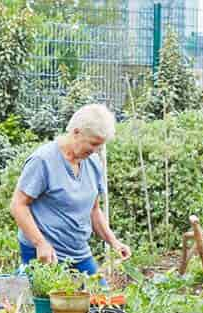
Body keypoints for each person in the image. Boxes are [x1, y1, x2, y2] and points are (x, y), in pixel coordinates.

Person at [9, 104, 131, 274]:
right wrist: (40, 243)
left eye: (100, 146)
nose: (96, 150)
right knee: (46, 299)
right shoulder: (43, 160)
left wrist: (114, 242)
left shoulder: (93, 162)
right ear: (76, 132)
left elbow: (94, 210)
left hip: (79, 252)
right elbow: (18, 205)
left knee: (100, 299)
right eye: (93, 143)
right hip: (45, 254)